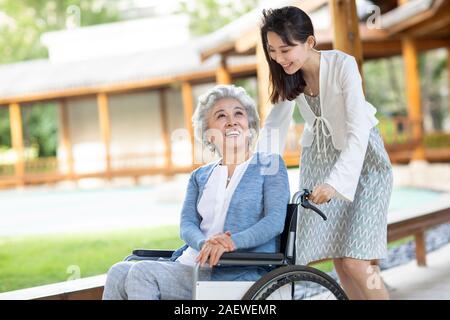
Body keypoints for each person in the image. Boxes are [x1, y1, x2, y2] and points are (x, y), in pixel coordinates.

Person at [102, 84, 290, 300]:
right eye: (221, 116)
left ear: (250, 126)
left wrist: (232, 242)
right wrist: (204, 244)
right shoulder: (199, 176)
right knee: (118, 271)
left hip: (236, 269)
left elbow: (274, 221)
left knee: (143, 273)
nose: (231, 121)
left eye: (239, 113)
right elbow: (187, 225)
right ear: (208, 134)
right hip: (193, 263)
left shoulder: (270, 165)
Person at [257, 6, 393, 300]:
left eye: (286, 49)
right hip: (319, 161)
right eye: (272, 51)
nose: (279, 58)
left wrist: (335, 182)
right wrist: (255, 176)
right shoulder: (287, 77)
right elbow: (273, 130)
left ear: (309, 42)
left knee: (357, 260)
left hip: (364, 163)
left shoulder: (343, 64)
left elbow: (358, 130)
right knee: (341, 260)